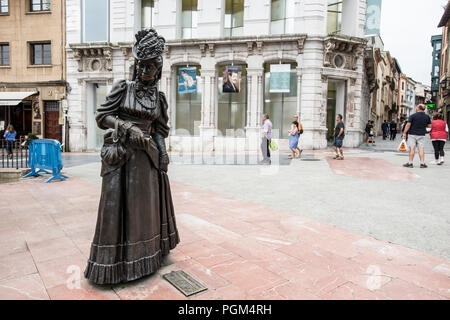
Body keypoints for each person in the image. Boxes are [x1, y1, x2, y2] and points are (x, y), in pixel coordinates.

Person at [84, 28, 180, 285]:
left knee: (145, 212)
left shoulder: (158, 99)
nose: (145, 71)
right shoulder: (122, 89)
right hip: (123, 160)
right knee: (119, 211)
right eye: (141, 66)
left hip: (147, 162)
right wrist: (127, 127)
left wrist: (163, 154)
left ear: (158, 70)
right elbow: (102, 116)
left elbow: (160, 131)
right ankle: (118, 265)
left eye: (150, 67)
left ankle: (148, 255)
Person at [402, 104, 432, 168]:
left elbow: (408, 125)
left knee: (412, 148)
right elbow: (429, 126)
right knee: (421, 149)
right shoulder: (427, 116)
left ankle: (410, 163)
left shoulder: (413, 116)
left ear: (418, 108)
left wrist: (404, 133)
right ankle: (422, 163)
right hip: (421, 134)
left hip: (412, 134)